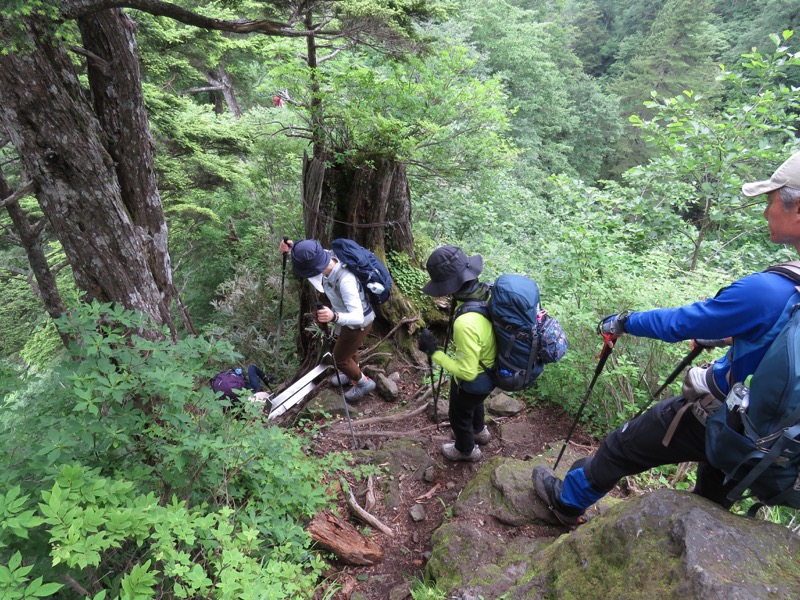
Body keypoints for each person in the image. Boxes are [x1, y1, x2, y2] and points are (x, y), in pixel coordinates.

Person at [533, 150, 800, 527]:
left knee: (621, 446)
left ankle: (565, 503)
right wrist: (731, 338)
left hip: (723, 415)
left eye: (771, 201)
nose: (766, 211)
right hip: (775, 441)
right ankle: (709, 520)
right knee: (717, 473)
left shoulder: (769, 291)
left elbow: (681, 322)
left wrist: (623, 322)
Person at [418, 246, 497, 462]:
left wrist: (433, 352)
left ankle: (466, 450)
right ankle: (480, 431)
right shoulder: (487, 294)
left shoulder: (465, 322)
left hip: (475, 377)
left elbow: (467, 372)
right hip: (491, 370)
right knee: (474, 403)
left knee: (459, 415)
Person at [280, 238, 377, 402]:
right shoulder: (328, 257)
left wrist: (334, 316)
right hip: (347, 322)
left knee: (339, 359)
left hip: (358, 323)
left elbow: (358, 316)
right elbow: (310, 253)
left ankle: (363, 383)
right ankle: (353, 372)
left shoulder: (345, 280)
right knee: (350, 350)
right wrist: (293, 247)